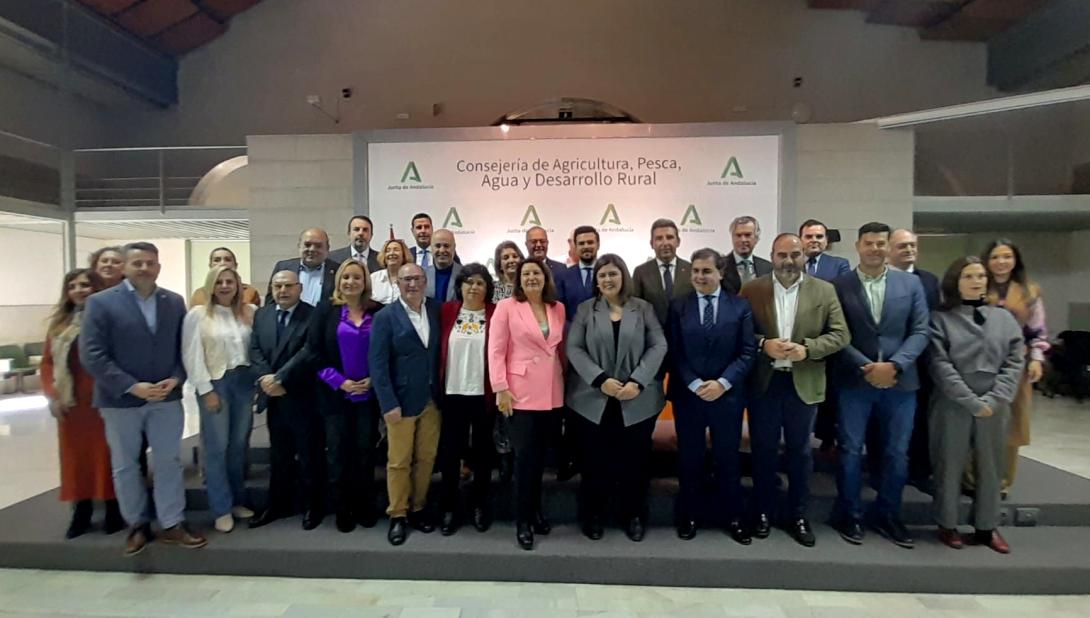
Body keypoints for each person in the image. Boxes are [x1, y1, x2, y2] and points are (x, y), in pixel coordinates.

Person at [80, 242, 207, 555]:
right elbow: (92, 354)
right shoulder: (100, 303)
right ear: (125, 267)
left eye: (150, 263)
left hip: (166, 398)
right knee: (125, 466)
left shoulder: (173, 302)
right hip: (120, 400)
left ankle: (171, 522)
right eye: (137, 263)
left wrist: (177, 378)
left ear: (159, 267)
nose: (144, 268)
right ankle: (136, 524)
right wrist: (132, 386)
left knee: (168, 461)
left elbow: (184, 348)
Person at [739, 234, 849, 547]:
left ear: (805, 256)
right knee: (763, 450)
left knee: (801, 453)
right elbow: (738, 330)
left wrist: (809, 349)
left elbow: (841, 334)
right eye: (782, 255)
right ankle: (762, 511)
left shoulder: (824, 290)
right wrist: (763, 344)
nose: (789, 261)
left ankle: (798, 515)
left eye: (795, 254)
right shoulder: (752, 289)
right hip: (765, 383)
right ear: (771, 256)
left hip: (804, 383)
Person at [830, 222, 930, 549]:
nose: (874, 248)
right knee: (849, 450)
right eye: (868, 243)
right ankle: (851, 514)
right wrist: (866, 366)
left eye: (880, 243)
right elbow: (837, 333)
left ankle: (887, 514)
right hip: (854, 381)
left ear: (888, 247)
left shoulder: (911, 284)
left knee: (897, 453)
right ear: (857, 246)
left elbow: (920, 331)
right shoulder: (839, 285)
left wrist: (895, 365)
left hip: (901, 384)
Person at [566, 254, 667, 542]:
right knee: (594, 463)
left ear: (623, 276)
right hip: (592, 400)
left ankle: (633, 515)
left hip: (637, 399)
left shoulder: (643, 309)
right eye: (602, 276)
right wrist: (600, 380)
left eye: (613, 274)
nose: (608, 280)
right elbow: (574, 349)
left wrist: (637, 381)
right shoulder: (586, 310)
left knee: (635, 463)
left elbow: (659, 345)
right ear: (596, 281)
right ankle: (593, 515)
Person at [929, 256, 1024, 554]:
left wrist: (994, 399)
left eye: (981, 276)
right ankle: (947, 524)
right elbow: (939, 364)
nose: (977, 281)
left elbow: (1014, 360)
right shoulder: (940, 319)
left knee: (991, 467)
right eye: (969, 276)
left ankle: (987, 526)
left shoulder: (1004, 318)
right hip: (953, 402)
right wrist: (970, 401)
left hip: (994, 404)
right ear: (956, 281)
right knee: (949, 464)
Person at [667, 248, 756, 544]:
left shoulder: (740, 306)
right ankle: (690, 516)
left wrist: (723, 383)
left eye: (706, 271)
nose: (700, 277)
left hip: (727, 397)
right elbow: (674, 351)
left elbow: (747, 352)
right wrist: (693, 383)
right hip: (688, 396)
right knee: (690, 460)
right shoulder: (678, 306)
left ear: (720, 273)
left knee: (727, 459)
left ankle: (733, 517)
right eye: (695, 271)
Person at [488, 257, 566, 550]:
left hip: (551, 393)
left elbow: (556, 351)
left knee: (540, 460)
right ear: (518, 280)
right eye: (526, 274)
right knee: (524, 462)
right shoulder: (506, 307)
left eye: (536, 272)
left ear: (545, 277)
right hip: (518, 394)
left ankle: (536, 512)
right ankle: (522, 521)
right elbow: (495, 351)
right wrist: (500, 388)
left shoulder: (557, 308)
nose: (532, 277)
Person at [41, 268, 122, 539]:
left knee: (107, 456)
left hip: (103, 398)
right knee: (76, 461)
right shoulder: (59, 325)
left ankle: (113, 510)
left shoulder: (108, 319)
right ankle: (81, 512)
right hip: (72, 404)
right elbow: (48, 363)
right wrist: (52, 394)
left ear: (97, 288)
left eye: (85, 285)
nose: (79, 290)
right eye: (73, 285)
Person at [308, 259, 384, 533]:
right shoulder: (325, 312)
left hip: (368, 395)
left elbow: (386, 351)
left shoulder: (378, 312)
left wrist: (374, 380)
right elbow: (313, 353)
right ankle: (343, 509)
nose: (351, 282)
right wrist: (341, 383)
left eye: (356, 277)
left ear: (365, 282)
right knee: (338, 454)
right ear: (338, 281)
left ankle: (364, 505)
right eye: (346, 278)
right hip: (335, 396)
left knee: (364, 453)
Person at [370, 263, 442, 546]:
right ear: (397, 284)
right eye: (406, 279)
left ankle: (418, 508)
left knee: (426, 459)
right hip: (399, 402)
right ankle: (397, 515)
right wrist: (387, 402)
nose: (412, 284)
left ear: (426, 282)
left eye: (417, 278)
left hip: (432, 400)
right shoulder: (386, 317)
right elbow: (377, 364)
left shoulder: (436, 310)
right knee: (398, 462)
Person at [182, 266, 257, 533]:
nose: (225, 286)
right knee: (216, 448)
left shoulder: (249, 313)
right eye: (220, 282)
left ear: (238, 285)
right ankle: (221, 508)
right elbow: (191, 355)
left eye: (230, 281)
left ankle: (237, 501)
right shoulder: (198, 315)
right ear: (210, 285)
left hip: (244, 383)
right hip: (216, 383)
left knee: (238, 446)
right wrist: (206, 390)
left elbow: (256, 349)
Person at [248, 270, 322, 530]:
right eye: (278, 286)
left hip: (301, 396)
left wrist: (280, 379)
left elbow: (310, 352)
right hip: (273, 398)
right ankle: (278, 504)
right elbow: (255, 350)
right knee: (279, 455)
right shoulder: (262, 314)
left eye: (288, 286)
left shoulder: (313, 315)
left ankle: (313, 506)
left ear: (299, 288)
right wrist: (267, 380)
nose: (282, 291)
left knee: (308, 454)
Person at [978, 239, 1049, 492]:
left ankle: (1003, 480)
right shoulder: (978, 285)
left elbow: (1037, 331)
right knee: (978, 417)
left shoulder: (1029, 291)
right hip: (979, 362)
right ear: (987, 261)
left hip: (1015, 364)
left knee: (1013, 421)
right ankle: (972, 478)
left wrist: (1036, 360)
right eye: (995, 257)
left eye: (1007, 256)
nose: (1001, 262)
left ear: (1015, 260)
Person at [437, 264, 498, 535]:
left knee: (483, 455)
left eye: (480, 283)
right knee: (450, 455)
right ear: (460, 286)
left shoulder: (496, 313)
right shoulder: (447, 311)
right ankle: (450, 508)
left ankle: (479, 506)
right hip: (452, 393)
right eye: (468, 282)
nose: (474, 287)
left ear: (488, 288)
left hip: (484, 394)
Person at [884, 228, 942, 489]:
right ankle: (882, 470)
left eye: (912, 246)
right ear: (889, 250)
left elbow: (933, 321)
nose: (908, 250)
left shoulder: (929, 281)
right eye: (902, 246)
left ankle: (919, 471)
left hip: (920, 363)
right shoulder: (879, 279)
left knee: (920, 421)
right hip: (884, 363)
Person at [801, 219, 851, 454]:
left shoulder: (839, 265)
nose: (814, 241)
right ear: (801, 240)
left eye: (819, 237)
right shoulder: (792, 262)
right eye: (809, 236)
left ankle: (828, 439)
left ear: (826, 241)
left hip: (828, 338)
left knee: (830, 392)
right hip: (798, 338)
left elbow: (839, 298)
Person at [632, 218, 693, 326]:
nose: (665, 243)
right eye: (659, 238)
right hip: (653, 337)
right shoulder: (640, 272)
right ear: (652, 243)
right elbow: (635, 309)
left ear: (678, 241)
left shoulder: (691, 270)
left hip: (685, 336)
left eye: (669, 237)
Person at [267, 228, 339, 306]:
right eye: (307, 245)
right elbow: (270, 302)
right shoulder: (283, 268)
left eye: (318, 246)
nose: (312, 249)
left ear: (327, 248)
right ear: (299, 246)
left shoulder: (337, 270)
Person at [556, 225, 601, 324]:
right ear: (575, 247)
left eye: (590, 242)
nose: (586, 246)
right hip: (574, 334)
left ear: (598, 244)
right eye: (581, 243)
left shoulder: (608, 274)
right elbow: (559, 312)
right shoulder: (563, 276)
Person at [189, 247, 262, 307]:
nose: (222, 263)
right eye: (217, 260)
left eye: (227, 259)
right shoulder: (199, 295)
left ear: (236, 265)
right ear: (210, 266)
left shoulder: (250, 292)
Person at [721, 216, 772, 294]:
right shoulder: (720, 266)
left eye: (747, 235)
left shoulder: (768, 268)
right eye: (738, 235)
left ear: (756, 238)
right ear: (732, 238)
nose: (743, 240)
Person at [371, 239, 412, 305]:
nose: (392, 253)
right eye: (388, 251)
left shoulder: (411, 278)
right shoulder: (373, 278)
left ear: (404, 255)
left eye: (396, 250)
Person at [425, 229, 463, 301]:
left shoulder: (465, 275)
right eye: (438, 246)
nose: (442, 250)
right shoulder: (422, 275)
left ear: (454, 247)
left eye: (446, 246)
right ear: (431, 248)